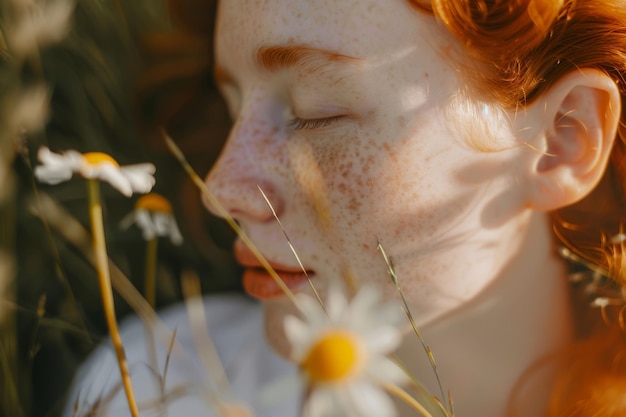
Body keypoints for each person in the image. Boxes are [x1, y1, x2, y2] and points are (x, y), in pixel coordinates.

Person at [67, 0, 626, 416]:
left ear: (562, 140)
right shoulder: (153, 382)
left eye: (316, 112)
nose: (222, 189)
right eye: (232, 106)